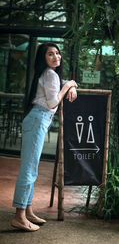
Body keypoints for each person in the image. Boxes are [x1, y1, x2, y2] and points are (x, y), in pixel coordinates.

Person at [11, 42, 77, 232]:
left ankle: (28, 211)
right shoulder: (50, 74)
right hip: (38, 119)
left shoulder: (50, 75)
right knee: (29, 169)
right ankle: (19, 216)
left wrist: (70, 85)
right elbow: (53, 101)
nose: (56, 56)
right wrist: (68, 86)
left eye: (57, 53)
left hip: (37, 120)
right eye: (50, 54)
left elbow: (58, 87)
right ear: (43, 58)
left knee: (32, 168)